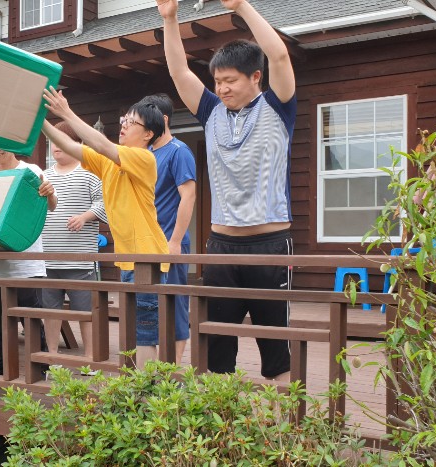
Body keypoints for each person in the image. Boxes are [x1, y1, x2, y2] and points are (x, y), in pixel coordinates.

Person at [158, 0, 296, 379]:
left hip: (269, 246)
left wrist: (241, 6)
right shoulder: (211, 111)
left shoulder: (278, 107)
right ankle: (219, 413)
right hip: (221, 247)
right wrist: (170, 18)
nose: (221, 88)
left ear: (255, 77)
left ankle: (283, 415)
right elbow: (179, 72)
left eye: (230, 80)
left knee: (277, 350)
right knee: (216, 350)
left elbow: (279, 56)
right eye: (217, 81)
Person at [41, 88, 169, 369]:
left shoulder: (144, 158)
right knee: (135, 331)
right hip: (130, 260)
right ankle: (143, 385)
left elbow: (100, 145)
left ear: (148, 134)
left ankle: (147, 388)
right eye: (124, 120)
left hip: (147, 259)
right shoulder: (110, 162)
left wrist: (66, 112)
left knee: (144, 334)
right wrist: (41, 120)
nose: (124, 125)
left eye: (131, 122)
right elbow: (72, 147)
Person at [0, 145, 57, 376]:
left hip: (28, 264)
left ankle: (41, 367)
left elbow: (52, 206)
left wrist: (50, 193)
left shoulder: (31, 171)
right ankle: (5, 366)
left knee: (31, 320)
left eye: (1, 144)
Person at [138, 93, 197, 364]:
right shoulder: (146, 153)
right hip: (147, 244)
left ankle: (171, 372)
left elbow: (188, 195)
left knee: (175, 306)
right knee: (150, 307)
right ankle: (154, 370)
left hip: (170, 242)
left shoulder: (178, 151)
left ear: (161, 120)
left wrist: (174, 241)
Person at [40, 121, 107, 359]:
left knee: (86, 311)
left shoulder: (90, 173)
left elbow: (105, 204)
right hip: (48, 259)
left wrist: (84, 216)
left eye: (62, 140)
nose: (56, 146)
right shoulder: (44, 176)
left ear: (77, 144)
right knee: (50, 312)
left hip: (81, 260)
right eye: (52, 141)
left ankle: (90, 357)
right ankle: (52, 356)